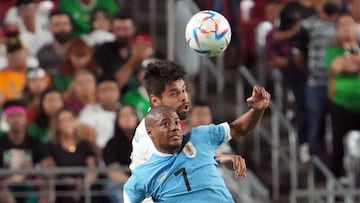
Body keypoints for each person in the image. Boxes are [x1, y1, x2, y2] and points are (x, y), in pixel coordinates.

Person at [124, 85, 270, 202]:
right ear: (150, 133)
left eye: (176, 122)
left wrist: (257, 110)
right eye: (165, 124)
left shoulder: (201, 136)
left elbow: (238, 128)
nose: (174, 127)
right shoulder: (145, 175)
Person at [324, 13, 360, 178]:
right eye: (342, 25)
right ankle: (337, 184)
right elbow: (338, 66)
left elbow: (347, 65)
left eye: (350, 24)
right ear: (337, 30)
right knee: (338, 146)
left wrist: (351, 61)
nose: (347, 28)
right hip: (341, 104)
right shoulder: (332, 50)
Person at [0, 99, 54, 203]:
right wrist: (6, 174)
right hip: (5, 185)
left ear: (26, 118)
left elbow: (50, 165)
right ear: (6, 119)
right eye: (11, 116)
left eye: (19, 115)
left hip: (30, 184)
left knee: (47, 184)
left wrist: (34, 169)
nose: (15, 119)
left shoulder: (35, 142)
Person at [103, 105, 139, 203]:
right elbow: (112, 171)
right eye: (123, 115)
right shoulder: (112, 144)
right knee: (112, 185)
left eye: (130, 114)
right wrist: (132, 183)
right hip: (122, 182)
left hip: (144, 180)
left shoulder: (147, 141)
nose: (127, 118)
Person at [36, 10, 73, 76]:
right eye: (57, 25)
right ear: (49, 27)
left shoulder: (80, 49)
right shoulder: (43, 53)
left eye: (65, 24)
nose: (62, 29)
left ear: (70, 26)